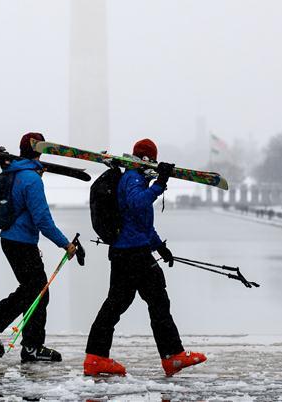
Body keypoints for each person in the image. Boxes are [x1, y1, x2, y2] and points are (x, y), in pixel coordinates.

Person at [83, 138, 206, 377]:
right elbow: (138, 204)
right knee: (157, 301)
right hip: (133, 254)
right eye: (153, 160)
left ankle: (96, 357)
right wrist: (160, 183)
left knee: (117, 303)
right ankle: (172, 356)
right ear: (147, 159)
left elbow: (140, 223)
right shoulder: (133, 178)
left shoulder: (134, 178)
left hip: (127, 251)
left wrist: (160, 247)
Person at [0, 131, 78, 363]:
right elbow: (42, 219)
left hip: (13, 241)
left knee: (35, 292)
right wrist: (66, 244)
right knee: (35, 292)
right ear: (40, 150)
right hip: (20, 242)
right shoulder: (30, 179)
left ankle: (25, 344)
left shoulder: (18, 172)